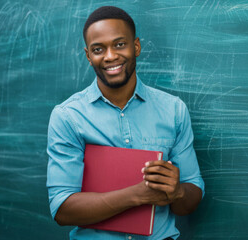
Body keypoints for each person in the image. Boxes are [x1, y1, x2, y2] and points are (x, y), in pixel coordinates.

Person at [46, 6, 205, 240]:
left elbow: (190, 198)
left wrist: (178, 192)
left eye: (119, 44)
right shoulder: (68, 117)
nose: (110, 56)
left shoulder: (173, 110)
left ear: (136, 47)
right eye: (98, 49)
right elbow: (62, 209)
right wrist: (138, 195)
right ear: (89, 56)